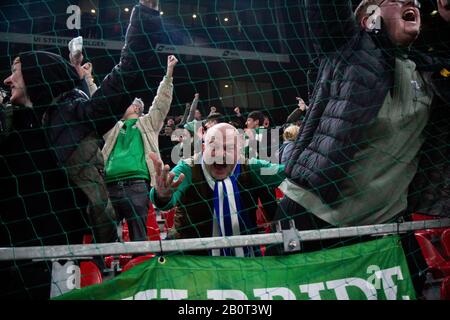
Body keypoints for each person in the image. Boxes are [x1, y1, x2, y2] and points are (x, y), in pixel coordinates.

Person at [270, 0, 450, 296]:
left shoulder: (431, 69)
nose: (410, 2)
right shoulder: (349, 47)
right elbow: (325, 10)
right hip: (312, 216)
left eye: (415, 0)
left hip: (382, 230)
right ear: (370, 17)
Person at [0, 0, 165, 299]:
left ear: (37, 74)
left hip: (62, 257)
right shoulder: (6, 121)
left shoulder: (76, 117)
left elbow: (126, 75)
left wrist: (145, 16)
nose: (8, 79)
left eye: (15, 71)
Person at [149, 123, 286, 256]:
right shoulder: (187, 168)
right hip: (191, 253)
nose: (221, 154)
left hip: (244, 252)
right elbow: (168, 198)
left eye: (229, 148)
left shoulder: (251, 167)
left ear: (239, 152)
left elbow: (287, 172)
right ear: (203, 148)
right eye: (214, 147)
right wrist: (162, 195)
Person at [102, 55, 177, 242]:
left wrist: (168, 75)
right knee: (104, 238)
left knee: (139, 238)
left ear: (136, 107)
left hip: (137, 186)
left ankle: (140, 269)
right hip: (109, 187)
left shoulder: (149, 123)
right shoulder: (112, 126)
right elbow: (100, 105)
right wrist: (87, 77)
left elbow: (161, 102)